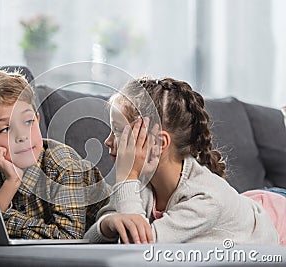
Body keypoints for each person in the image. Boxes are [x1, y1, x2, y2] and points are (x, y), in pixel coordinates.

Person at [85, 77, 286, 245]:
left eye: (119, 132)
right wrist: (108, 224)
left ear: (159, 143)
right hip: (247, 204)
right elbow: (90, 241)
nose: (108, 141)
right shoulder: (142, 183)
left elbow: (140, 252)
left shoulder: (208, 199)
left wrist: (126, 178)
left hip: (278, 221)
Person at [0, 69, 110, 239]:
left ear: (37, 120)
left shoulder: (63, 164)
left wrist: (5, 219)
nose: (22, 136)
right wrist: (11, 182)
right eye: (5, 129)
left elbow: (68, 238)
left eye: (28, 122)